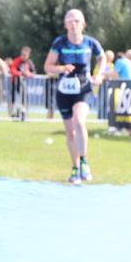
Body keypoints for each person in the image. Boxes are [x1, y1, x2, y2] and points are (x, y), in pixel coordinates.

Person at [43, 9, 106, 185]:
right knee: (70, 132)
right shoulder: (59, 43)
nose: (73, 24)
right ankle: (75, 167)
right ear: (65, 25)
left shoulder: (91, 43)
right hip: (64, 90)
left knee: (79, 121)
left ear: (83, 24)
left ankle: (84, 162)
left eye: (77, 21)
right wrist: (62, 68)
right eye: (70, 21)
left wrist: (99, 74)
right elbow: (48, 67)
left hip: (83, 89)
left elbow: (102, 58)